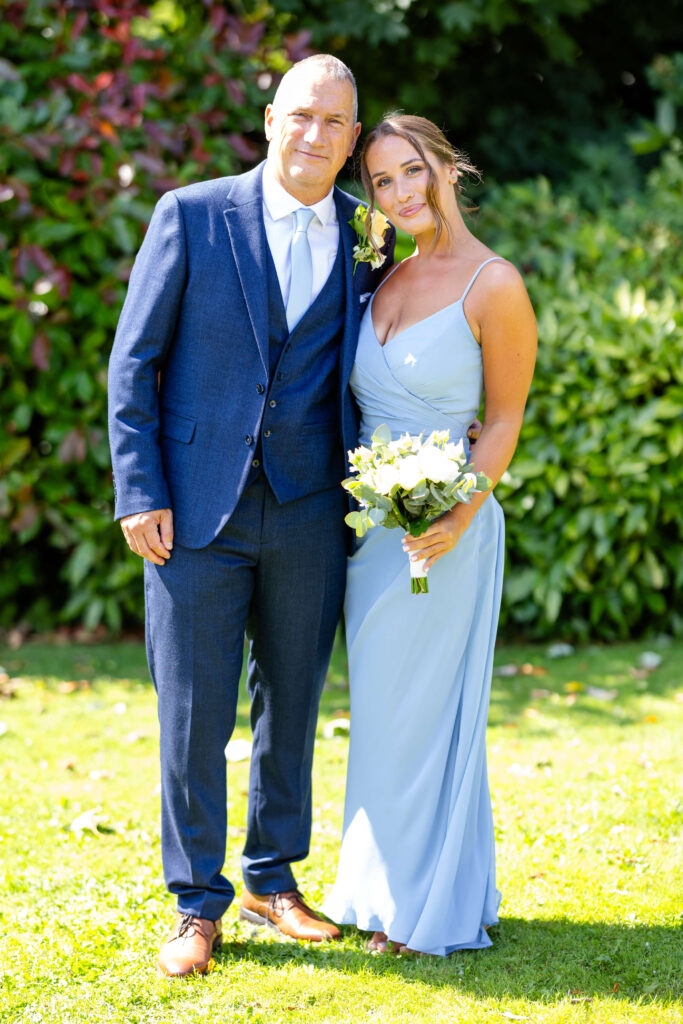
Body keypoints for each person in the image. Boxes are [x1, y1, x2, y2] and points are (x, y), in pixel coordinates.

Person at [107, 55, 396, 977]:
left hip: (312, 506)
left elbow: (388, 356)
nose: (316, 135)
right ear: (270, 118)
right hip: (193, 512)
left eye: (336, 123)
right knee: (193, 708)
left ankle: (274, 880)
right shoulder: (190, 214)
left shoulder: (371, 233)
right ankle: (196, 904)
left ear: (354, 140)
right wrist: (139, 490)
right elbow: (132, 365)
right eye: (302, 116)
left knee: (295, 698)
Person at [321, 114, 537, 955]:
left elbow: (504, 418)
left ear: (447, 168)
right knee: (380, 714)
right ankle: (401, 888)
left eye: (413, 171)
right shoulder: (377, 280)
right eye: (381, 181)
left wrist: (460, 511)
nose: (401, 191)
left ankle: (419, 911)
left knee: (425, 712)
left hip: (449, 534)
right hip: (373, 536)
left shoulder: (494, 283)